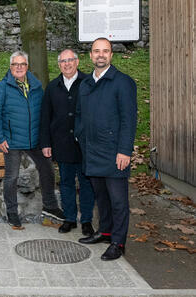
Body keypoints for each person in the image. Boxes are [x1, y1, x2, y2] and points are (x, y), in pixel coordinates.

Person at [75, 38, 137, 261]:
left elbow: (129, 120)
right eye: (96, 51)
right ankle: (106, 231)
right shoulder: (85, 84)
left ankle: (118, 242)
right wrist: (79, 135)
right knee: (101, 198)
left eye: (105, 51)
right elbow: (80, 115)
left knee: (118, 201)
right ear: (90, 55)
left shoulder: (123, 82)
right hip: (91, 150)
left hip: (114, 153)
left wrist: (125, 150)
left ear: (111, 55)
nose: (100, 55)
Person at [0, 51, 65, 228]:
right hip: (12, 140)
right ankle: (12, 212)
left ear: (27, 66)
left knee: (47, 169)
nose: (19, 67)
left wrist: (46, 139)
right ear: (10, 67)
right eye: (16, 64)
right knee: (11, 177)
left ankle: (50, 206)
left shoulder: (37, 86)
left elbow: (44, 113)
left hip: (35, 139)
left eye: (22, 64)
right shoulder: (2, 87)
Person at [39, 49, 95, 236]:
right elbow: (45, 117)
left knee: (87, 184)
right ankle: (70, 218)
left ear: (77, 62)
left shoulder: (89, 83)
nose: (67, 64)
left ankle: (86, 220)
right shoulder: (52, 87)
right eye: (63, 61)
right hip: (62, 144)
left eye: (70, 60)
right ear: (59, 65)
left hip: (85, 145)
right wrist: (46, 143)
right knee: (66, 183)